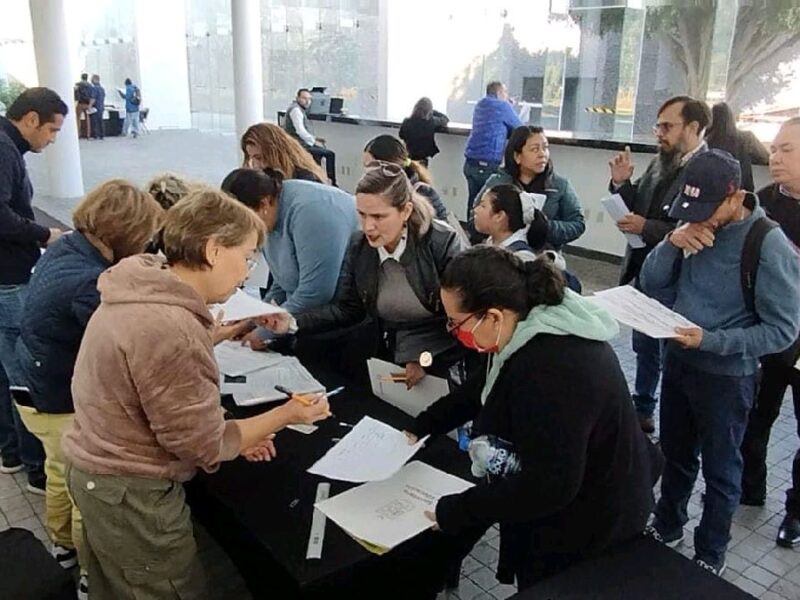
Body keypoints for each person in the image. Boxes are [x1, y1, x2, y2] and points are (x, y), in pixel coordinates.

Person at [62, 188, 331, 599]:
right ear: (212, 250)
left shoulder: (145, 282)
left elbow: (159, 363)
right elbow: (204, 444)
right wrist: (289, 413)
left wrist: (233, 329)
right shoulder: (171, 330)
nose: (247, 273)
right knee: (170, 589)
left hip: (99, 474)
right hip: (130, 493)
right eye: (246, 257)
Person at [403, 246, 661, 591]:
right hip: (576, 494)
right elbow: (479, 391)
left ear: (492, 316)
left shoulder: (552, 366)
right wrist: (420, 427)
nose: (453, 331)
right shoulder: (525, 325)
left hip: (591, 520)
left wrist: (458, 510)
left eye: (456, 322)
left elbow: (550, 485)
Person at [640, 149, 800, 576]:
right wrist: (672, 244)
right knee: (674, 454)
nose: (699, 218)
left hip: (726, 378)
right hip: (677, 361)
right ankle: (668, 523)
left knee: (721, 471)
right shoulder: (690, 222)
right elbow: (650, 282)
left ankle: (711, 551)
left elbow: (782, 331)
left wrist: (711, 340)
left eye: (708, 210)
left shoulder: (767, 243)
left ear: (734, 196)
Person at [15, 180, 164, 599]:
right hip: (59, 394)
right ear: (127, 232)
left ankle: (61, 548)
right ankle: (87, 570)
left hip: (32, 382)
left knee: (59, 474)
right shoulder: (88, 281)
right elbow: (126, 343)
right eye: (145, 235)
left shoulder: (68, 247)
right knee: (88, 490)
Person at [259, 162, 465, 389]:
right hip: (385, 352)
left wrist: (425, 358)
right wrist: (292, 322)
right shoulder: (360, 245)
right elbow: (347, 309)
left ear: (405, 211)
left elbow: (463, 318)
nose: (368, 227)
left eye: (378, 216)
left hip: (439, 355)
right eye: (362, 214)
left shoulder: (441, 243)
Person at [608, 95, 710, 434]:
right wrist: (622, 185)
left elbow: (696, 229)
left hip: (680, 280)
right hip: (644, 270)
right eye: (658, 126)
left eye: (668, 126)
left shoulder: (709, 169)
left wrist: (645, 227)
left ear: (693, 127)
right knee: (645, 347)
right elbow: (642, 203)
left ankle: (673, 420)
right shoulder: (661, 160)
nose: (660, 134)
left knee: (674, 356)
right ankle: (644, 406)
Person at [0, 87, 67, 492]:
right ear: (30, 120)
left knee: (5, 369)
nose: (52, 139)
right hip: (9, 279)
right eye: (52, 130)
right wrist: (44, 234)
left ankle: (10, 451)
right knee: (24, 372)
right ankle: (35, 465)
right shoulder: (4, 150)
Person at [740, 116, 800, 547]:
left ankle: (796, 512)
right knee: (756, 415)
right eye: (774, 149)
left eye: (787, 150)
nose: (774, 158)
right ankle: (749, 487)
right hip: (768, 335)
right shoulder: (761, 204)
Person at [221, 168, 358, 349]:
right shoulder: (269, 215)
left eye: (242, 220)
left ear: (264, 204)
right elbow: (284, 280)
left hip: (342, 319)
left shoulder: (310, 211)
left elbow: (316, 291)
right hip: (307, 318)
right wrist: (254, 318)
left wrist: (265, 331)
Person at [476, 126, 585, 248]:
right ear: (517, 156)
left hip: (544, 257)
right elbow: (474, 219)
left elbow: (578, 224)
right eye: (535, 149)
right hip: (501, 253)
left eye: (545, 148)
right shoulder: (497, 183)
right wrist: (502, 224)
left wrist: (544, 227)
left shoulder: (560, 185)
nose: (542, 154)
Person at [472, 183, 581, 292]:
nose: (475, 210)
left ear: (500, 216)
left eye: (483, 206)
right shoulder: (493, 243)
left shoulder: (522, 260)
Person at [463, 81, 521, 219]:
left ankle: (471, 235)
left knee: (473, 202)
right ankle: (483, 236)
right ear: (500, 93)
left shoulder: (480, 104)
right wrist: (509, 105)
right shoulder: (502, 106)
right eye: (505, 93)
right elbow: (519, 128)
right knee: (489, 204)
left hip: (470, 162)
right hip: (487, 164)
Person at [363, 134, 448, 220]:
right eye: (365, 166)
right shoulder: (378, 191)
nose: (366, 172)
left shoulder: (422, 192)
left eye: (371, 166)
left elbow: (442, 226)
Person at [241, 122, 327, 183]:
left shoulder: (306, 180)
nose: (255, 165)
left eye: (259, 158)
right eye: (251, 158)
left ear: (275, 153)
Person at [284, 88, 336, 185]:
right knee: (330, 154)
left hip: (301, 143)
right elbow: (300, 131)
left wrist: (315, 139)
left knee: (319, 153)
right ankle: (331, 182)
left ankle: (319, 178)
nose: (307, 101)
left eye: (309, 99)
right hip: (298, 145)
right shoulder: (295, 110)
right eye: (304, 98)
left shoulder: (300, 110)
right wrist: (313, 141)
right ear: (297, 98)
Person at [706, 102, 754, 192]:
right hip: (739, 190)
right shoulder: (745, 138)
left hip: (711, 193)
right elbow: (763, 156)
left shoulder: (705, 141)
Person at [399, 97, 449, 166]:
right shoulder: (431, 122)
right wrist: (433, 112)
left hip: (409, 155)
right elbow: (445, 119)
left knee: (408, 174)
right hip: (423, 157)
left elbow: (401, 135)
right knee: (422, 174)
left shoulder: (407, 121)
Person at [73, 74, 93, 139]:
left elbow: (75, 93)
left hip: (80, 103)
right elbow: (92, 95)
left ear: (81, 77)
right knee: (88, 119)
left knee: (78, 119)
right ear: (87, 78)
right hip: (87, 104)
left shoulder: (78, 84)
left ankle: (78, 134)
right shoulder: (90, 86)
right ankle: (88, 135)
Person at [89, 74, 105, 140]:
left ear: (95, 80)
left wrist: (89, 106)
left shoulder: (94, 88)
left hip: (95, 107)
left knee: (94, 121)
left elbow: (93, 98)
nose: (91, 80)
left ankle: (95, 135)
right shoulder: (102, 88)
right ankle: (102, 135)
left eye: (92, 79)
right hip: (101, 106)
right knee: (100, 121)